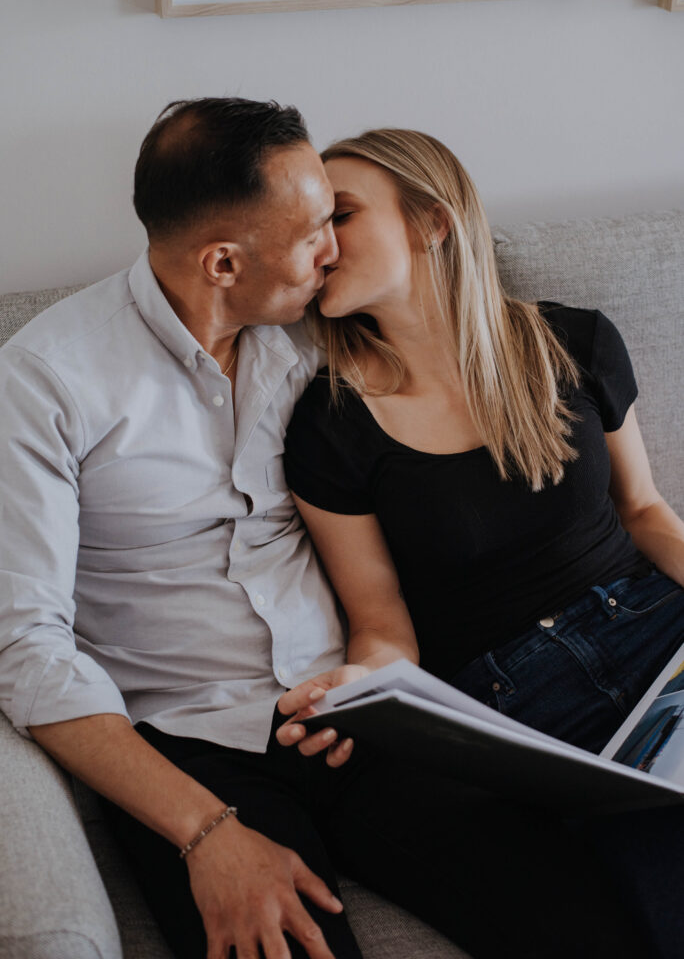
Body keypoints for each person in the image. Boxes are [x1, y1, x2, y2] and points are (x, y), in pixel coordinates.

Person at [0, 101, 663, 959]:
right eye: (315, 227)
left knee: (597, 930)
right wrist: (208, 834)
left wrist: (372, 687)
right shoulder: (45, 382)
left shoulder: (316, 339)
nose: (332, 248)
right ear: (225, 261)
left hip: (357, 714)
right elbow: (26, 650)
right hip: (194, 744)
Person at [277, 127, 684, 957]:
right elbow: (383, 620)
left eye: (341, 215)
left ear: (432, 220)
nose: (316, 247)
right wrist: (360, 685)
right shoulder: (330, 426)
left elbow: (644, 511)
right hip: (524, 710)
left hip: (656, 633)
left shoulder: (574, 342)